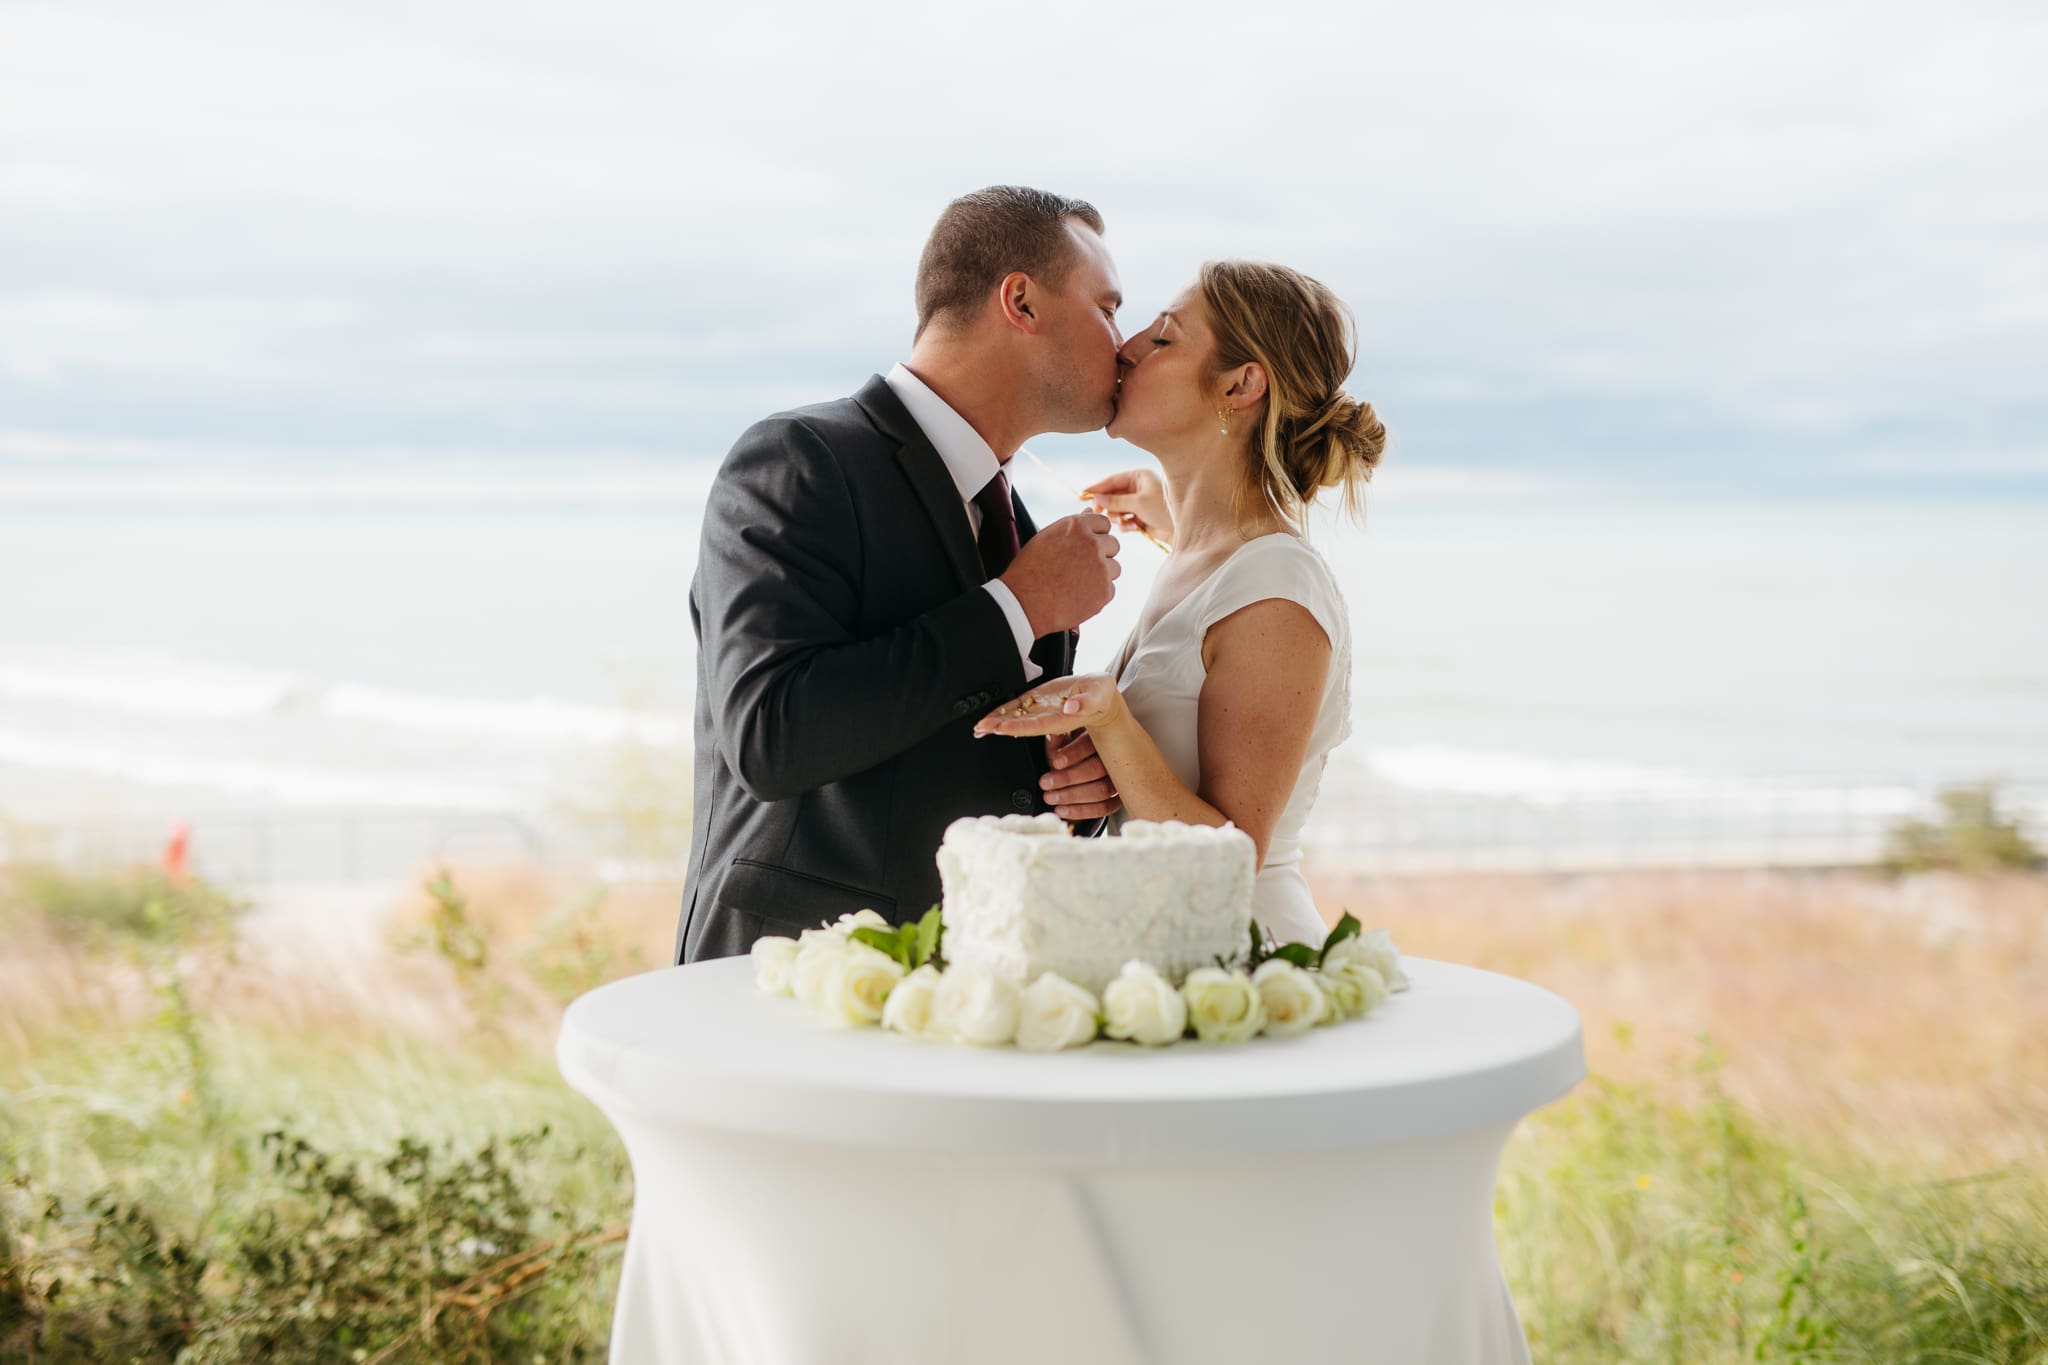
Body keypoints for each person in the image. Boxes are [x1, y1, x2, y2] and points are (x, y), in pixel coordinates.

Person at [675, 186, 1130, 964]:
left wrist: (1074, 788)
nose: (1124, 342)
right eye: (1108, 307)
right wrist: (1018, 605)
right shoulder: (798, 458)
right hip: (794, 982)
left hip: (969, 981)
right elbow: (770, 733)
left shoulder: (1010, 509)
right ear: (1019, 301)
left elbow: (956, 740)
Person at [975, 260, 1384, 947]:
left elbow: (1230, 862)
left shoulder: (1280, 587)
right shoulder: (1209, 563)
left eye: (1163, 339)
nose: (1126, 346)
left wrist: (1108, 716)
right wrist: (1175, 518)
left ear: (1240, 383)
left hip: (1246, 969)